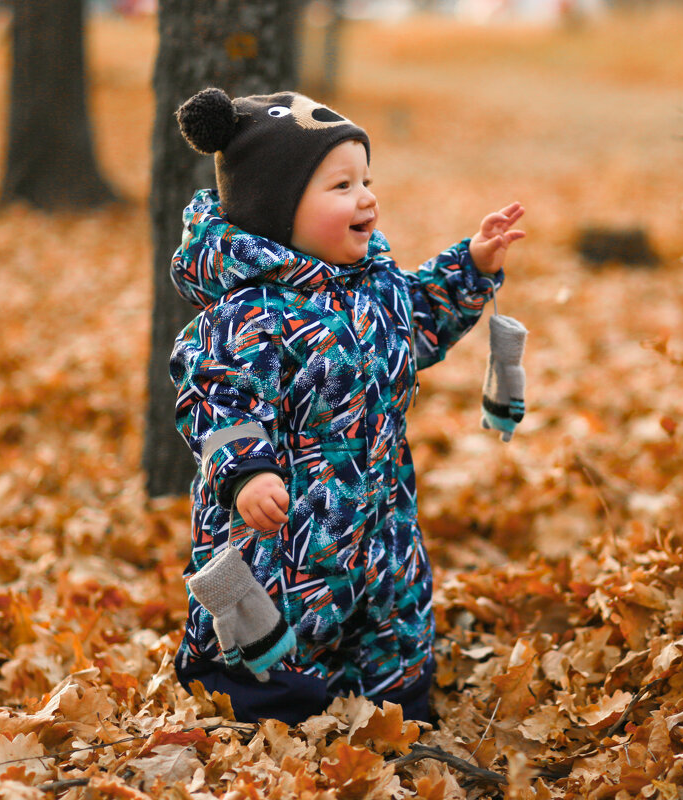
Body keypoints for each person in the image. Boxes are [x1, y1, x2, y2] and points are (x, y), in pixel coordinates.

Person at [166, 88, 525, 724]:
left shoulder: (375, 285)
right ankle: (269, 714)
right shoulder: (248, 314)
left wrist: (470, 267)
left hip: (381, 514)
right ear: (279, 212)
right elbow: (218, 397)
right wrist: (247, 471)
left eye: (366, 179)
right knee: (279, 628)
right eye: (341, 186)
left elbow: (416, 319)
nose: (367, 198)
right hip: (288, 527)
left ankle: (397, 711)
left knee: (393, 617)